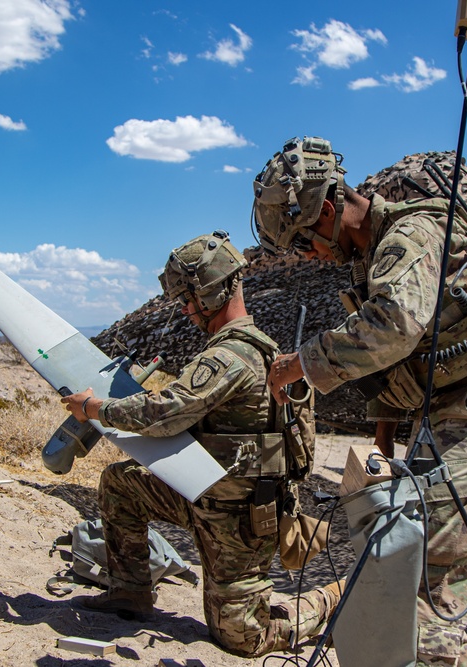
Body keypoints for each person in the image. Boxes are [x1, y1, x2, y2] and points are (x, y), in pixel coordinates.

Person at [252, 137, 467, 666]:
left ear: (327, 209)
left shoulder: (408, 239)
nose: (312, 257)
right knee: (405, 551)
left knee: (434, 577)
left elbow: (393, 328)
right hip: (445, 409)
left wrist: (299, 363)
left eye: (305, 243)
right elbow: (399, 366)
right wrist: (383, 451)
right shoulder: (372, 257)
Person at [61, 230, 341, 657]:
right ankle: (130, 591)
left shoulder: (230, 356)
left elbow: (163, 413)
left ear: (213, 291)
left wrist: (94, 408)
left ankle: (329, 600)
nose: (187, 310)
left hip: (239, 520)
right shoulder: (240, 350)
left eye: (189, 298)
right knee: (122, 483)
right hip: (201, 495)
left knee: (243, 639)